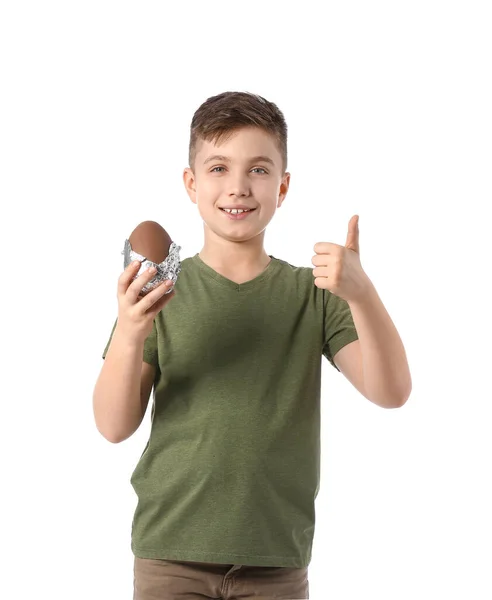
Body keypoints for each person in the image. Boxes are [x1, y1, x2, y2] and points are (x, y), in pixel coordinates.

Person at [93, 91, 412, 599]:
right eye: (218, 168)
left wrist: (362, 294)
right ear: (191, 184)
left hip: (276, 561)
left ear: (283, 187)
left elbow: (391, 391)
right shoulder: (158, 293)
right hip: (168, 554)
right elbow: (113, 426)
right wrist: (130, 331)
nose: (238, 186)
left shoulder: (314, 296)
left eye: (259, 170)